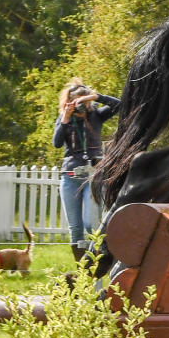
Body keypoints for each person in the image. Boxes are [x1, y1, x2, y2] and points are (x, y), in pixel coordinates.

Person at [53, 79, 120, 262]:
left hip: (93, 174)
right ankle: (82, 270)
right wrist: (66, 118)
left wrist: (96, 96)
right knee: (75, 227)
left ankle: (95, 263)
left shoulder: (96, 115)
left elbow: (119, 105)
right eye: (77, 102)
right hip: (70, 176)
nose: (81, 106)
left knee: (91, 224)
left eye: (84, 101)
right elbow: (57, 143)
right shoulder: (64, 119)